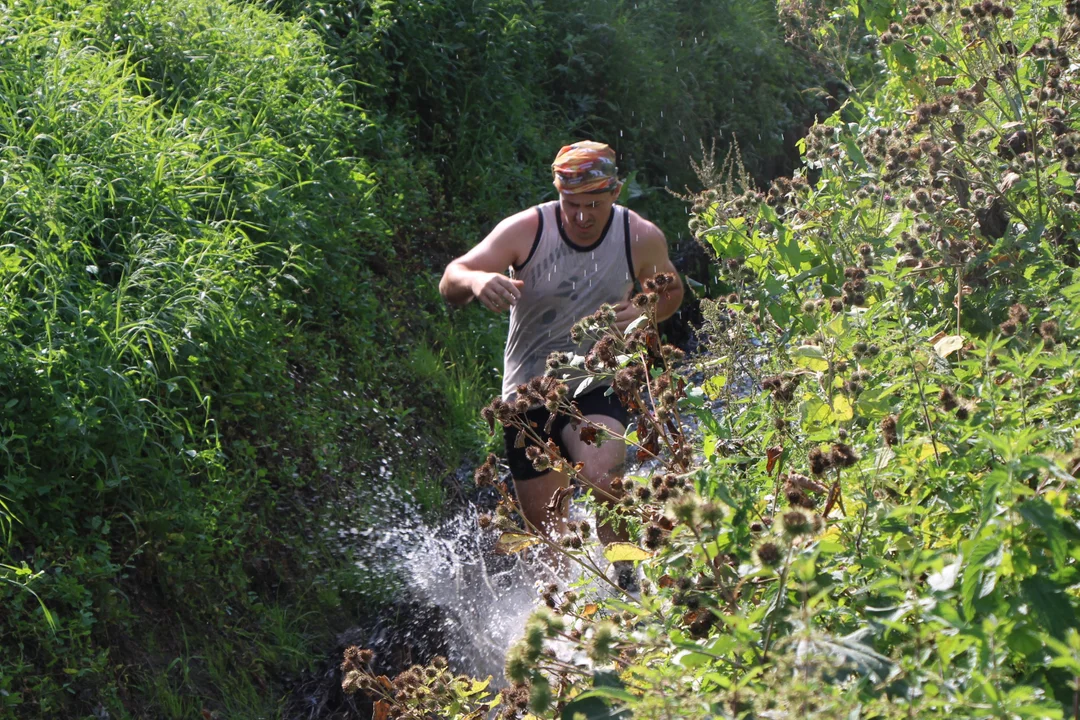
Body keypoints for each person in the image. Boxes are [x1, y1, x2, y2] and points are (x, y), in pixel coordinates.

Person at [439, 141, 683, 571]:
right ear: (558, 195)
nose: (583, 216)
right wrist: (478, 283)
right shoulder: (527, 230)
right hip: (528, 393)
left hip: (598, 381)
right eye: (573, 205)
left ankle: (626, 580)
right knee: (549, 538)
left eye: (594, 203)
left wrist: (648, 310)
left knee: (603, 475)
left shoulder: (640, 236)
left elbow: (670, 292)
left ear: (615, 193)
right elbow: (451, 278)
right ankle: (568, 628)